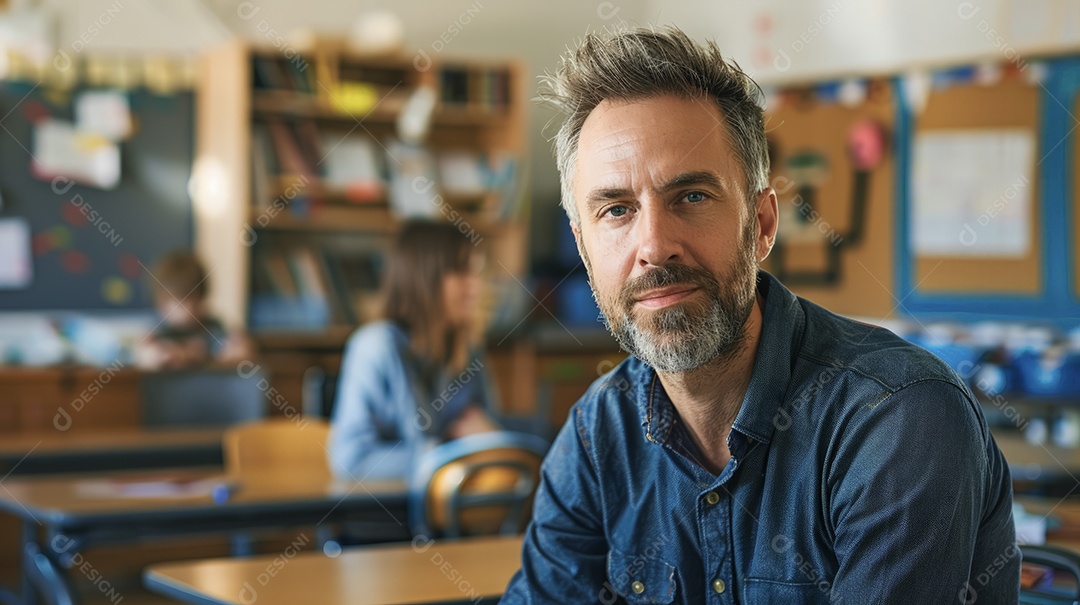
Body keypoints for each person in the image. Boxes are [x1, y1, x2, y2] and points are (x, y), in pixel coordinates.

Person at [501, 27, 1018, 604]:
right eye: (616, 210)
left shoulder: (898, 418)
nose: (654, 245)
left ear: (763, 224)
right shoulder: (598, 439)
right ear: (583, 248)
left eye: (691, 197)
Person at [327, 219, 500, 480]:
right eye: (462, 272)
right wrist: (448, 454)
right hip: (388, 515)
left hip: (451, 512)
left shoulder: (468, 350)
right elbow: (352, 461)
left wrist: (490, 442)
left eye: (477, 273)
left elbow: (488, 434)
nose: (476, 287)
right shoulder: (375, 347)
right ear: (424, 278)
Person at [135, 250, 252, 369]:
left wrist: (233, 351)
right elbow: (145, 356)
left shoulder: (214, 327)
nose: (187, 308)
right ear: (161, 303)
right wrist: (169, 354)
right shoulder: (158, 331)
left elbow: (240, 351)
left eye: (192, 299)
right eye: (178, 301)